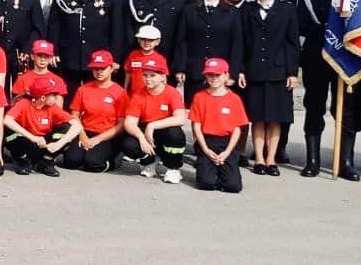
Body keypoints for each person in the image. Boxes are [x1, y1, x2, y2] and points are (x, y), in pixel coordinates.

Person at [239, 0, 299, 177]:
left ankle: (271, 158)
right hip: (254, 70)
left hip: (278, 71)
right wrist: (241, 70)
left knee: (275, 117)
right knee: (257, 117)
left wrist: (292, 72)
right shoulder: (247, 10)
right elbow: (241, 43)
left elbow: (292, 43)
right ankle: (259, 158)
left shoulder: (287, 9)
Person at [295, 0, 341, 177]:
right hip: (316, 57)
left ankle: (343, 160)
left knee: (343, 110)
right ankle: (312, 160)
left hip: (345, 59)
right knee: (314, 107)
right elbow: (303, 24)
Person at [49, 0, 119, 98]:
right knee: (67, 98)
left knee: (95, 99)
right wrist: (53, 50)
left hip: (98, 56)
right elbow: (55, 23)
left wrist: (115, 56)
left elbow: (116, 27)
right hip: (69, 54)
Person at [173, 0, 244, 96]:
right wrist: (180, 68)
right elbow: (181, 41)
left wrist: (233, 73)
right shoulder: (189, 10)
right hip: (194, 71)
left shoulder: (233, 13)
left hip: (221, 73)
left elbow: (237, 45)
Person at [123, 55, 188, 184]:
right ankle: (149, 162)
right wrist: (141, 138)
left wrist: (152, 125)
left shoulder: (172, 93)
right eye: (145, 75)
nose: (148, 79)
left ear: (163, 77)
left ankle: (173, 168)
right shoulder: (138, 95)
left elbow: (180, 119)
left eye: (152, 75)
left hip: (165, 130)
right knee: (128, 144)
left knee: (176, 135)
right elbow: (129, 123)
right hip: (146, 132)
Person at [63, 50, 128, 172]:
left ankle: (115, 160)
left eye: (103, 68)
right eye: (95, 68)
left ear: (111, 68)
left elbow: (121, 124)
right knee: (71, 161)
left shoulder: (120, 92)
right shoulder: (83, 89)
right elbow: (74, 115)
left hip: (107, 134)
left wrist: (98, 139)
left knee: (93, 164)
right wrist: (82, 135)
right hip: (85, 130)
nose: (99, 72)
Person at [189, 58, 248, 193]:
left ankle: (222, 172)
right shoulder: (199, 97)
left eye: (218, 75)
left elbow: (237, 129)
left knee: (233, 186)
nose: (214, 78)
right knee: (206, 183)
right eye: (210, 75)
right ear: (205, 76)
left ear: (226, 75)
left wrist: (227, 152)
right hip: (207, 141)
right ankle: (209, 170)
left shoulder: (234, 99)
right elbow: (196, 125)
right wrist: (205, 149)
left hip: (227, 143)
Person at [2, 74, 78, 176]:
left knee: (66, 127)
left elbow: (77, 126)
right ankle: (23, 160)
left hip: (44, 146)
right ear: (43, 97)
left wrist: (59, 144)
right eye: (53, 95)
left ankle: (46, 162)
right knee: (8, 129)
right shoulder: (23, 103)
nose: (56, 97)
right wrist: (33, 137)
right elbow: (7, 120)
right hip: (26, 143)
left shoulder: (53, 107)